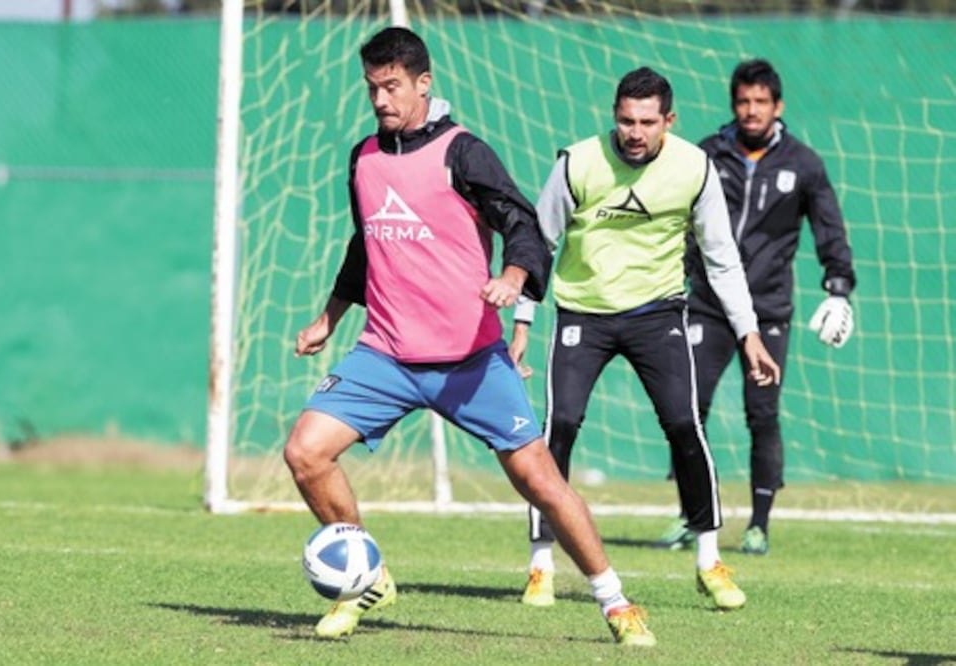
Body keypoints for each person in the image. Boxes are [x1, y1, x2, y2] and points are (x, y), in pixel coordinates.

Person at [283, 27, 655, 647]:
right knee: (305, 452)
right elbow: (365, 244)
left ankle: (615, 601)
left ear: (424, 83)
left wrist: (514, 275)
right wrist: (330, 317)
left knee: (538, 478)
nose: (380, 99)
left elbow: (523, 223)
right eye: (372, 88)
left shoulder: (464, 151)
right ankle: (365, 579)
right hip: (385, 353)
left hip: (469, 360)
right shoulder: (364, 157)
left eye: (392, 86)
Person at [510, 66, 781, 611]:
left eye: (647, 122)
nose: (635, 132)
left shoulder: (694, 168)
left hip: (658, 314)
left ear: (668, 121)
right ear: (615, 117)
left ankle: (709, 560)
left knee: (685, 423)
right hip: (582, 313)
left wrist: (749, 334)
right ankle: (541, 564)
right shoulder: (577, 164)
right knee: (557, 427)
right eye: (626, 121)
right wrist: (521, 326)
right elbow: (537, 243)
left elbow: (722, 259)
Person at [656, 59, 856, 556]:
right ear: (733, 104)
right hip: (706, 304)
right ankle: (692, 515)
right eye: (743, 101)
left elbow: (829, 227)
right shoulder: (706, 154)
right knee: (686, 410)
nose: (751, 110)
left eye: (760, 102)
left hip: (767, 310)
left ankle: (759, 525)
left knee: (761, 414)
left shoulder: (803, 164)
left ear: (777, 106)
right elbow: (674, 216)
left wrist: (838, 287)